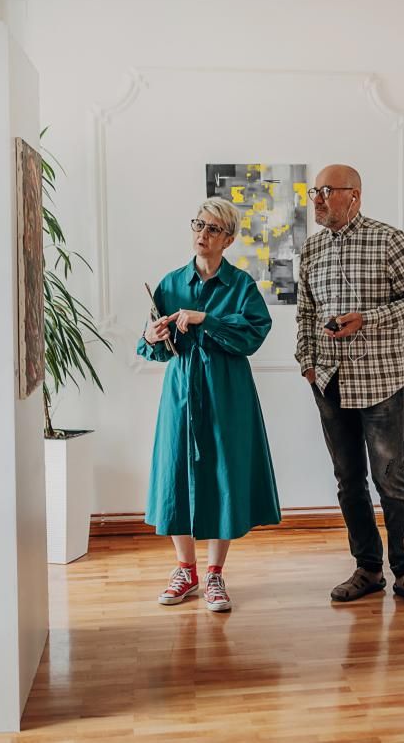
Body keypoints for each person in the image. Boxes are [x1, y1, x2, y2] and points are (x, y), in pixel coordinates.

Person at [295, 164, 404, 607]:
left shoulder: (389, 239)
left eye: (326, 191)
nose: (317, 198)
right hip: (329, 382)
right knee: (348, 481)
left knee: (391, 480)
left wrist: (368, 319)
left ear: (353, 195)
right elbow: (304, 313)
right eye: (314, 191)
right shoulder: (311, 250)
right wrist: (307, 362)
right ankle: (368, 568)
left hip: (380, 381)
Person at [138, 197, 281, 612]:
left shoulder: (240, 286)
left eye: (214, 229)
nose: (203, 234)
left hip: (227, 393)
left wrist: (206, 319)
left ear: (229, 239)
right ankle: (185, 569)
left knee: (224, 474)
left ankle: (215, 575)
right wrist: (151, 337)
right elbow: (155, 350)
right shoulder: (170, 283)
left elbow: (254, 335)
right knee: (174, 472)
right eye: (199, 224)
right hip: (181, 392)